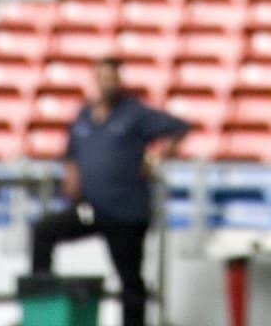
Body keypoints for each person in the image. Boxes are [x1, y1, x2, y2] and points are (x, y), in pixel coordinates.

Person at [30, 57, 190, 326]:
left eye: (112, 77)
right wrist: (72, 177)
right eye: (102, 77)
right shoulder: (84, 116)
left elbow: (178, 127)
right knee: (44, 231)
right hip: (90, 209)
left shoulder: (134, 113)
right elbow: (71, 153)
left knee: (129, 279)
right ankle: (42, 309)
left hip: (125, 212)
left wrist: (157, 157)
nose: (108, 83)